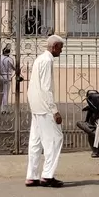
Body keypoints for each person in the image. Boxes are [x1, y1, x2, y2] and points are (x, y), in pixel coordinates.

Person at [26, 35, 65, 188]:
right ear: (54, 46)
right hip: (44, 106)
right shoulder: (48, 60)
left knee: (35, 142)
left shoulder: (39, 59)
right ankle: (47, 176)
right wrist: (54, 111)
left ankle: (32, 176)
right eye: (60, 48)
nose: (61, 51)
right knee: (55, 139)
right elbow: (46, 88)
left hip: (35, 105)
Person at [0, 45, 16, 113]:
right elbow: (14, 68)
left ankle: (0, 108)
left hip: (0, 76)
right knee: (6, 92)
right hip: (7, 76)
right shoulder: (10, 59)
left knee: (1, 92)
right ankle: (4, 109)